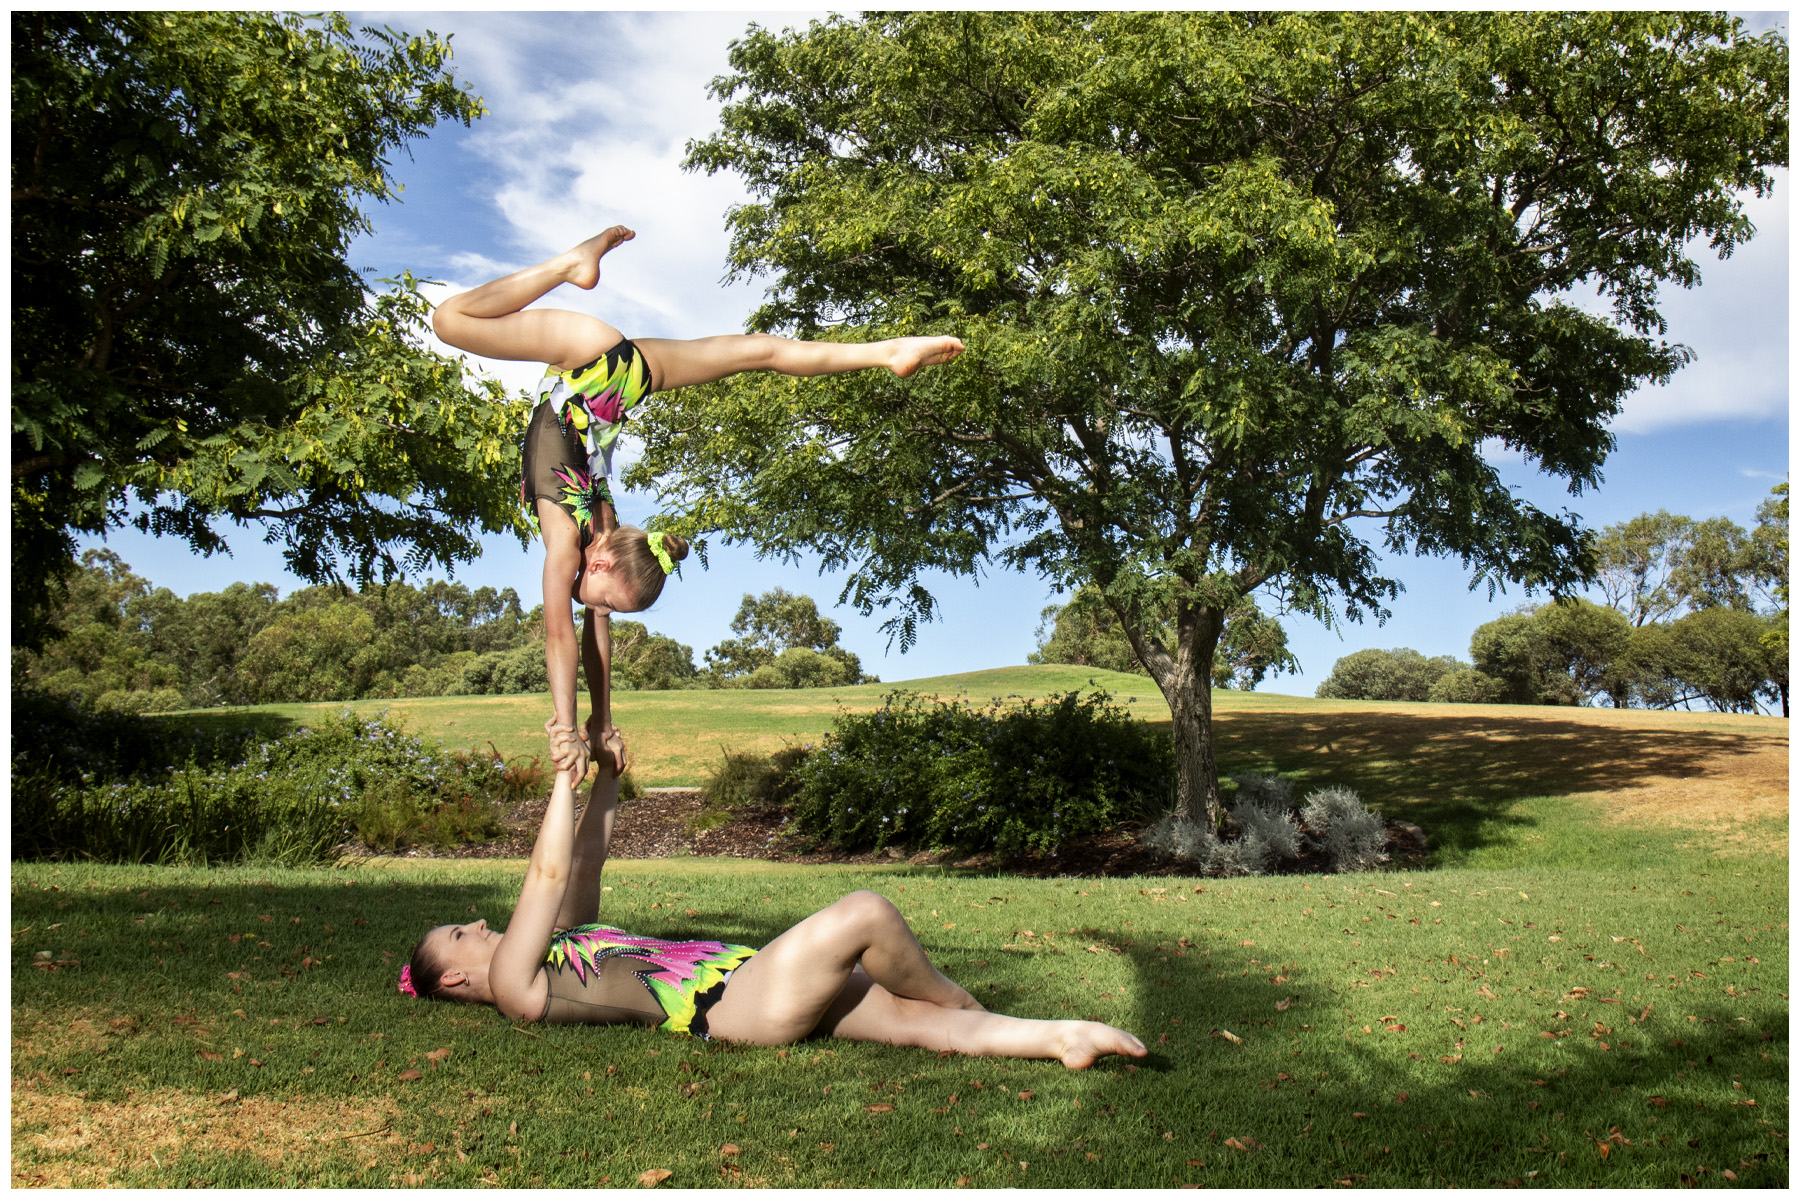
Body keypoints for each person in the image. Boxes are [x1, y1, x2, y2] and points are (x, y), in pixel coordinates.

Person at [432, 227, 965, 781]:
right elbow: (559, 633)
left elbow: (592, 629)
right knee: (448, 320)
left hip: (624, 377)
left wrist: (602, 722)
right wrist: (566, 729)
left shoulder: (605, 528)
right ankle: (570, 265)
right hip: (583, 363)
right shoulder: (569, 541)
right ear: (601, 563)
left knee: (760, 352)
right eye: (606, 598)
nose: (598, 609)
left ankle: (888, 353)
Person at [399, 760, 1147, 1069]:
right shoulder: (519, 985)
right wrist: (561, 779)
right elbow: (548, 868)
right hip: (734, 1005)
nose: (478, 925)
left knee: (918, 1026)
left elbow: (584, 864)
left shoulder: (561, 946)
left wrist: (606, 778)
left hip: (750, 977)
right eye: (460, 935)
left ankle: (1059, 1039)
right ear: (459, 978)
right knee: (864, 911)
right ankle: (967, 1000)